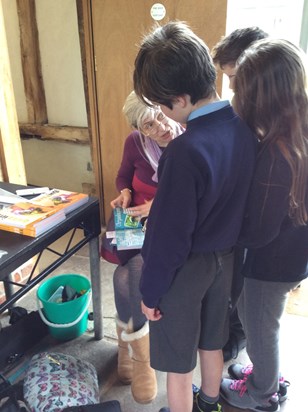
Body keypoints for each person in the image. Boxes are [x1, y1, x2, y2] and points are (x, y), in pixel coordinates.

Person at [133, 21, 257, 412]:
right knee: (212, 342)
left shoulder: (184, 153)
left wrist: (150, 292)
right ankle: (211, 402)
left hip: (186, 270)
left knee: (178, 364)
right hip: (227, 259)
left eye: (162, 105)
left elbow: (170, 237)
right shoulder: (244, 127)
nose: (163, 114)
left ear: (181, 99)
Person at [220, 39, 308, 412]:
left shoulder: (275, 155)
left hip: (270, 265)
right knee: (265, 321)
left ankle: (261, 392)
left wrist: (224, 232)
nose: (233, 93)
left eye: (240, 88)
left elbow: (259, 231)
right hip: (293, 256)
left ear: (261, 99)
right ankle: (268, 375)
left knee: (258, 326)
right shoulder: (297, 132)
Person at [101, 90, 184, 404]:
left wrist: (157, 205)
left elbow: (192, 192)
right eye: (148, 126)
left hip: (166, 221)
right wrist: (124, 192)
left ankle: (137, 357)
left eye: (159, 116)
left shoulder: (187, 138)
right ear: (139, 130)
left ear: (165, 107)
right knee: (124, 275)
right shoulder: (134, 143)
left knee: (130, 274)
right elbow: (124, 174)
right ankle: (133, 350)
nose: (159, 127)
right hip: (133, 218)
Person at [211, 27, 269, 362]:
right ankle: (231, 328)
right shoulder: (237, 102)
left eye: (235, 77)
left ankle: (239, 337)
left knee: (251, 285)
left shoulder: (275, 111)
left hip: (262, 217)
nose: (230, 86)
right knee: (233, 278)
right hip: (240, 211)